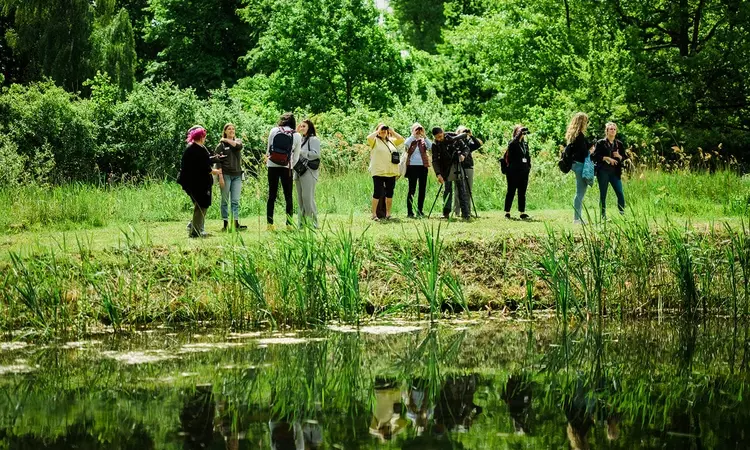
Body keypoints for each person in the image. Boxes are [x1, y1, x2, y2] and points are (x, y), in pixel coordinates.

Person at [178, 126, 223, 238]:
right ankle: (196, 231)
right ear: (201, 137)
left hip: (193, 182)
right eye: (204, 136)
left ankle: (194, 227)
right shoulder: (198, 150)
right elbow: (205, 168)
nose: (205, 138)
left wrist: (214, 158)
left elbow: (205, 160)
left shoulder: (194, 148)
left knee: (200, 205)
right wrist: (217, 172)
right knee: (201, 205)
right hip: (197, 183)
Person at [267, 112, 302, 230]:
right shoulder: (296, 135)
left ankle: (270, 224)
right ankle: (289, 225)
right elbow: (296, 156)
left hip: (272, 166)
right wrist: (290, 165)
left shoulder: (273, 130)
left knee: (271, 195)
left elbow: (268, 150)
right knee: (288, 196)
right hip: (287, 167)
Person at [431, 127, 471, 220]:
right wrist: (438, 174)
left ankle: (466, 214)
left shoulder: (453, 137)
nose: (439, 139)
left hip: (457, 166)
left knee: (462, 189)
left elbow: (466, 148)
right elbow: (435, 160)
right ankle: (446, 213)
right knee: (447, 190)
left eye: (440, 136)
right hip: (445, 169)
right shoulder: (435, 144)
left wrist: (463, 155)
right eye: (437, 137)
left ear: (443, 132)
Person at [367, 124, 405, 221]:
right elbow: (368, 137)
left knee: (389, 193)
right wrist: (378, 130)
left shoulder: (391, 141)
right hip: (379, 171)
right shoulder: (374, 141)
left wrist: (392, 131)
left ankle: (388, 214)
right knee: (377, 192)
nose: (384, 131)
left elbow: (401, 139)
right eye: (382, 130)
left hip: (391, 171)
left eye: (385, 130)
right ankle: (374, 214)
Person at [592, 122, 628, 220]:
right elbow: (594, 156)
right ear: (606, 131)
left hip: (615, 172)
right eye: (610, 129)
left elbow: (624, 157)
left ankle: (622, 214)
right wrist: (606, 158)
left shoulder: (619, 144)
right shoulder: (601, 143)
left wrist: (619, 156)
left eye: (614, 129)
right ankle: (603, 216)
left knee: (620, 192)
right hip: (603, 171)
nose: (612, 130)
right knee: (603, 194)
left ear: (616, 131)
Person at [215, 123, 247, 232]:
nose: (231, 130)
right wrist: (220, 177)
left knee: (235, 201)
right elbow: (217, 162)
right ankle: (225, 223)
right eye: (229, 129)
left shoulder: (237, 141)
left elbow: (238, 146)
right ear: (225, 131)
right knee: (224, 200)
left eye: (233, 129)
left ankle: (236, 223)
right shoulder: (220, 146)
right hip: (226, 175)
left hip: (237, 175)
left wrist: (226, 140)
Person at [564, 112, 595, 224]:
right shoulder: (580, 136)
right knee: (580, 192)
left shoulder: (574, 135)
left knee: (580, 192)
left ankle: (577, 218)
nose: (587, 124)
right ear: (582, 122)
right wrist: (590, 151)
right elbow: (582, 152)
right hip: (580, 165)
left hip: (575, 165)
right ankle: (577, 219)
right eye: (586, 121)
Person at [295, 119, 321, 228]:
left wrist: (300, 152)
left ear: (309, 127)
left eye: (304, 126)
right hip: (299, 171)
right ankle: (302, 223)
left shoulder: (313, 139)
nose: (302, 128)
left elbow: (316, 154)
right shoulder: (300, 139)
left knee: (308, 197)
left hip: (309, 172)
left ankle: (313, 223)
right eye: (300, 126)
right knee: (300, 198)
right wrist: (296, 132)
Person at [403, 123, 432, 218]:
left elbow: (431, 146)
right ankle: (410, 212)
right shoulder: (410, 140)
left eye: (420, 130)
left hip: (423, 167)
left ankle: (420, 210)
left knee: (422, 189)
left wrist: (424, 136)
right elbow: (405, 144)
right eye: (417, 130)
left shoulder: (423, 141)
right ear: (412, 130)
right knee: (412, 189)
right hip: (412, 166)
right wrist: (413, 136)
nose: (418, 131)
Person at [504, 124, 532, 220]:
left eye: (522, 132)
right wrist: (518, 136)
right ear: (515, 132)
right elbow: (511, 146)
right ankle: (507, 211)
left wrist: (528, 167)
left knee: (522, 192)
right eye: (519, 132)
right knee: (511, 191)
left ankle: (522, 212)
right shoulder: (512, 143)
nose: (522, 134)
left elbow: (527, 156)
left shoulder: (524, 144)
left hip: (524, 171)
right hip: (513, 171)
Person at [454, 126, 481, 217]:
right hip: (458, 167)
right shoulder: (455, 142)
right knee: (458, 190)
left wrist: (471, 135)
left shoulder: (468, 143)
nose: (464, 133)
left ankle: (467, 211)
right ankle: (457, 211)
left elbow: (478, 145)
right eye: (463, 131)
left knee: (469, 190)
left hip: (468, 166)